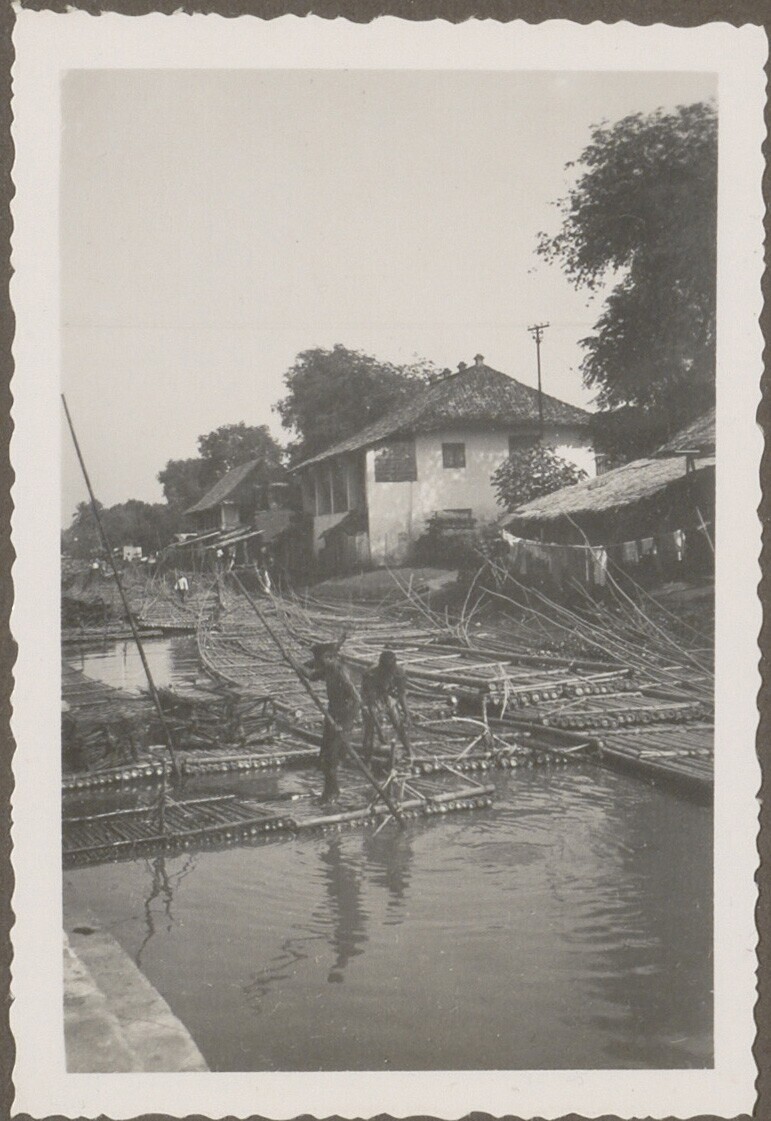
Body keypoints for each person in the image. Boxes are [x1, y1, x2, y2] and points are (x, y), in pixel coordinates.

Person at [305, 640, 358, 804]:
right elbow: (311, 676)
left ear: (329, 657)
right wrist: (291, 662)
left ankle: (332, 794)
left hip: (342, 718)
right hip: (332, 715)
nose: (318, 664)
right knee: (325, 757)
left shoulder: (341, 671)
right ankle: (330, 791)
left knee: (332, 757)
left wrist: (343, 723)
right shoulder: (328, 669)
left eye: (320, 660)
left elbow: (357, 699)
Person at [361, 649, 413, 767]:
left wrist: (407, 715)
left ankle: (409, 752)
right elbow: (370, 704)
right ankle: (367, 759)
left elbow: (401, 695)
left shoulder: (399, 673)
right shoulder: (371, 675)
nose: (389, 673)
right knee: (369, 728)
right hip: (371, 699)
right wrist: (379, 731)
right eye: (386, 671)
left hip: (388, 696)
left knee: (399, 724)